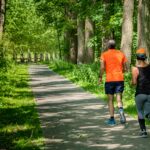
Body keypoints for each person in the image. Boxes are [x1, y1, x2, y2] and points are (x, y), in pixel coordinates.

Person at [99, 39, 127, 126]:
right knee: (119, 98)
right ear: (115, 45)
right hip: (119, 79)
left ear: (108, 46)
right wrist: (121, 71)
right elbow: (125, 68)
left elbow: (102, 67)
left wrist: (100, 76)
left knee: (110, 100)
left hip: (109, 80)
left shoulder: (104, 55)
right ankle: (121, 112)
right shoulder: (121, 54)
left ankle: (112, 119)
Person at [131, 48, 150, 138]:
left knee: (140, 111)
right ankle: (148, 114)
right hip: (149, 93)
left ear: (137, 58)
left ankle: (143, 131)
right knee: (147, 111)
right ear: (145, 57)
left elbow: (134, 82)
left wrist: (132, 83)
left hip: (140, 93)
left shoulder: (135, 69)